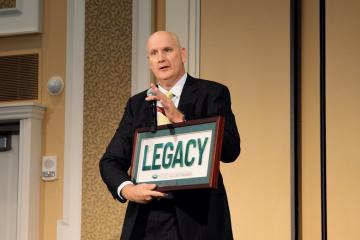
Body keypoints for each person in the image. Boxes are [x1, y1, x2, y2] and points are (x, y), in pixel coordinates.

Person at [99, 31, 240, 240]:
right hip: (146, 221)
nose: (161, 58)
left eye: (167, 50)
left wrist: (181, 120)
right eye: (154, 53)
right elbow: (110, 161)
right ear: (149, 62)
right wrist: (128, 190)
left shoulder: (212, 93)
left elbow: (230, 150)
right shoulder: (137, 105)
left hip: (198, 221)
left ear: (182, 54)